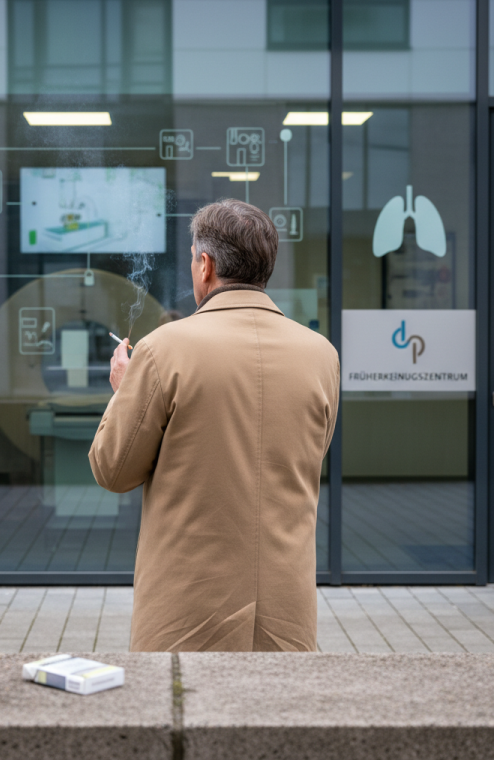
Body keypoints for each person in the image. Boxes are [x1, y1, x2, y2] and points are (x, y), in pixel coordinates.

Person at [89, 199, 339, 652]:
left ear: (205, 265)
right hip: (287, 613)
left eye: (191, 259)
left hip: (188, 613)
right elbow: (307, 457)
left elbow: (113, 470)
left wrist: (126, 391)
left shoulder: (163, 349)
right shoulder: (321, 354)